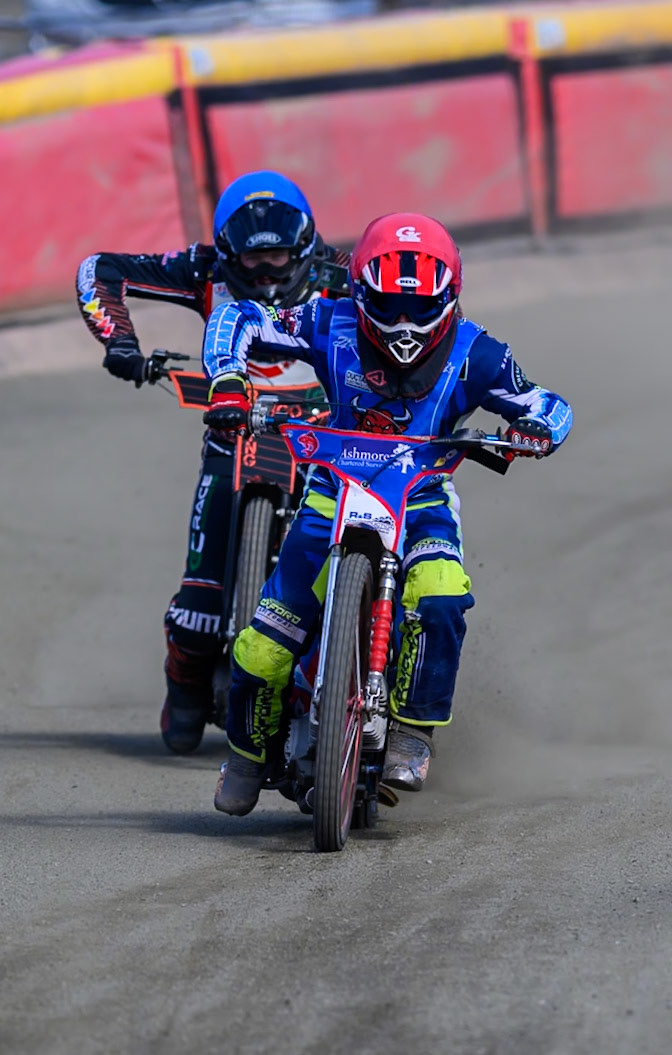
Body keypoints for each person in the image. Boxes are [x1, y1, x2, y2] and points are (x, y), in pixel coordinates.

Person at [199, 212, 573, 816]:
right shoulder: (328, 322)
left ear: (448, 296)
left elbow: (549, 404)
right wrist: (228, 381)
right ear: (358, 292)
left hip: (422, 501)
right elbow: (237, 317)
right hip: (329, 496)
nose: (403, 323)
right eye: (388, 306)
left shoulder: (478, 352)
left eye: (417, 307)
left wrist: (536, 429)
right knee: (261, 649)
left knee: (442, 596)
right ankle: (246, 758)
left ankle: (413, 730)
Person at [76, 170, 351, 754]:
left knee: (342, 582)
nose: (266, 273)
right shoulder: (202, 270)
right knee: (197, 613)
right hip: (232, 430)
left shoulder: (345, 274)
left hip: (326, 442)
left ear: (304, 246)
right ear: (227, 254)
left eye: (278, 257)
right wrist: (121, 343)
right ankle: (184, 687)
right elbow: (98, 269)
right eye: (252, 261)